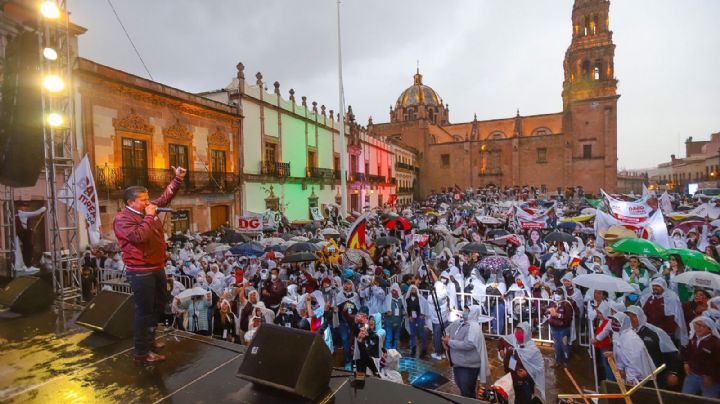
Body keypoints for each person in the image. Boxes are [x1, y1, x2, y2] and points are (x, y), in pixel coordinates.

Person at [113, 165, 186, 364]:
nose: (148, 202)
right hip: (140, 271)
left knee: (159, 304)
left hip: (156, 266)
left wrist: (177, 180)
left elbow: (164, 198)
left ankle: (151, 338)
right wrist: (149, 216)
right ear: (131, 202)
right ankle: (141, 353)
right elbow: (139, 236)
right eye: (143, 200)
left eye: (148, 199)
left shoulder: (146, 210)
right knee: (143, 311)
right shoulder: (122, 219)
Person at [443, 305, 490, 398]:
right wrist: (445, 339)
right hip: (457, 363)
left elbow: (468, 344)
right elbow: (446, 332)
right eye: (464, 310)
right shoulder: (458, 322)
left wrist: (450, 342)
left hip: (468, 366)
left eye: (467, 311)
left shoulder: (474, 327)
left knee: (467, 390)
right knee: (461, 386)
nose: (464, 312)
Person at [498, 322, 546, 404]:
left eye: (521, 332)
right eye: (517, 331)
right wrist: (501, 349)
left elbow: (539, 370)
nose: (518, 334)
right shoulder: (512, 340)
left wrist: (527, 374)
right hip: (511, 380)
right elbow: (501, 340)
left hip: (524, 384)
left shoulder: (533, 350)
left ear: (527, 334)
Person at [605, 312, 656, 385]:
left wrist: (630, 377)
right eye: (612, 321)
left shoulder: (631, 338)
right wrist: (620, 368)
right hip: (629, 375)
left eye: (616, 321)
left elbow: (634, 360)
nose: (613, 323)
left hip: (642, 378)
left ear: (623, 323)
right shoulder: (618, 334)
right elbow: (621, 353)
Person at [682, 316, 720, 397]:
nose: (698, 328)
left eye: (701, 326)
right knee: (684, 398)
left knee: (708, 401)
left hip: (709, 379)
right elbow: (687, 352)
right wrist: (686, 362)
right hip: (692, 374)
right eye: (696, 325)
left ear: (710, 329)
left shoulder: (715, 343)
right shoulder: (693, 339)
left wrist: (711, 376)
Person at [545, 288, 574, 368]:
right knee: (557, 345)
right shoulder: (552, 303)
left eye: (559, 293)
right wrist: (548, 312)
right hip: (554, 327)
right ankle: (558, 361)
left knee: (564, 345)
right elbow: (545, 312)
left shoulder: (567, 304)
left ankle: (566, 361)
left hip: (563, 328)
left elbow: (568, 317)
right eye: (556, 293)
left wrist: (558, 315)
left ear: (563, 295)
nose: (557, 295)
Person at [405, 284, 429, 358]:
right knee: (412, 334)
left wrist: (424, 314)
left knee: (421, 333)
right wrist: (409, 316)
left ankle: (424, 350)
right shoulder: (407, 299)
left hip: (419, 317)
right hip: (412, 317)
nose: (413, 291)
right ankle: (413, 349)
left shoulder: (420, 298)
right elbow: (407, 308)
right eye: (412, 290)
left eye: (414, 290)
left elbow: (426, 305)